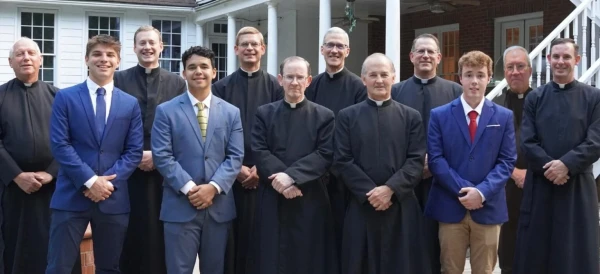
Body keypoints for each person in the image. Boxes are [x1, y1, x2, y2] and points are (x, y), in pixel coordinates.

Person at [46, 34, 144, 274]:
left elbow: (133, 152)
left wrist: (106, 184)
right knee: (59, 267)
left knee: (109, 268)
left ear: (118, 61)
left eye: (110, 55)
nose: (104, 59)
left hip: (113, 198)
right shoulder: (65, 97)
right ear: (86, 59)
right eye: (98, 54)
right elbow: (60, 144)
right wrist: (90, 181)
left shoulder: (130, 104)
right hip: (71, 196)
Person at [151, 46, 243, 274]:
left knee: (215, 269)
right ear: (183, 73)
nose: (198, 72)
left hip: (218, 207)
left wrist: (212, 188)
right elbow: (162, 155)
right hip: (179, 205)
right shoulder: (166, 111)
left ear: (214, 71)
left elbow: (235, 156)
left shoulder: (231, 112)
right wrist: (192, 189)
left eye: (204, 67)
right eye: (192, 67)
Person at [334, 53, 429, 274]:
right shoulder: (347, 116)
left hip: (401, 206)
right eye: (373, 75)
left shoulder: (411, 116)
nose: (379, 80)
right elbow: (342, 160)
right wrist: (371, 193)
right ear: (363, 78)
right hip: (362, 205)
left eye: (384, 74)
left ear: (393, 77)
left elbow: (416, 160)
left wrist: (389, 190)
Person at [514, 38, 600, 274]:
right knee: (538, 249)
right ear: (549, 59)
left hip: (577, 188)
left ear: (577, 60)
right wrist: (552, 169)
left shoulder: (594, 97)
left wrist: (567, 165)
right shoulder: (535, 98)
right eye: (556, 57)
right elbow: (528, 141)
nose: (561, 62)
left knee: (575, 250)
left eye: (566, 57)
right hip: (541, 186)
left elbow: (596, 140)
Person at [425, 50, 516, 274]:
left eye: (480, 75)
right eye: (468, 75)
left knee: (484, 270)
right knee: (450, 269)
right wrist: (464, 192)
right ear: (460, 78)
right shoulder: (439, 115)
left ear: (488, 78)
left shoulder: (503, 117)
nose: (474, 81)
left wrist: (482, 192)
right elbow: (436, 160)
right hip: (450, 205)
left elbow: (506, 161)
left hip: (488, 207)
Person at [0, 38, 80, 274]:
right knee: (15, 248)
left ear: (40, 60)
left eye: (31, 53)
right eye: (20, 54)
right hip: (13, 191)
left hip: (53, 190)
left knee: (57, 247)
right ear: (10, 62)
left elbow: (73, 139)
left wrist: (51, 173)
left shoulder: (59, 97)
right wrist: (16, 175)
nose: (26, 57)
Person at [251, 56, 337, 274]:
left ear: (308, 81)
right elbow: (259, 150)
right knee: (271, 256)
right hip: (272, 195)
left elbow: (325, 153)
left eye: (300, 77)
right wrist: (282, 180)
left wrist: (291, 177)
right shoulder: (264, 113)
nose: (295, 82)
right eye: (289, 77)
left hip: (309, 196)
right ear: (280, 79)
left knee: (308, 257)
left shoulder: (324, 116)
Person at [115, 25, 186, 274]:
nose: (147, 47)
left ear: (161, 47)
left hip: (163, 168)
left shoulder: (177, 82)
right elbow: (113, 123)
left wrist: (157, 156)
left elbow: (180, 125)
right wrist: (134, 156)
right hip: (127, 168)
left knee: (161, 229)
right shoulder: (119, 79)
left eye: (152, 43)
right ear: (134, 48)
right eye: (142, 43)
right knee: (129, 228)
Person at [211, 26, 282, 274]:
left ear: (263, 49)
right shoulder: (220, 88)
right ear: (236, 49)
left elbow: (280, 134)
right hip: (229, 177)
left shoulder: (276, 87)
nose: (250, 48)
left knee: (264, 240)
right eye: (245, 44)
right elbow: (215, 133)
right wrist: (236, 169)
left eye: (255, 44)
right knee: (231, 241)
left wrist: (262, 169)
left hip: (266, 178)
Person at [391, 33, 462, 274]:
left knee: (438, 241)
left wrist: (435, 163)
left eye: (431, 51)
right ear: (411, 57)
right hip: (405, 179)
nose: (425, 56)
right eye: (420, 51)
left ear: (439, 57)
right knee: (408, 237)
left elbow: (460, 134)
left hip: (441, 179)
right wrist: (412, 166)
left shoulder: (455, 91)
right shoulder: (396, 91)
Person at [304, 27, 366, 255]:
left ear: (347, 51)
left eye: (340, 46)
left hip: (344, 176)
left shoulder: (359, 87)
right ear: (322, 49)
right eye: (330, 45)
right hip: (316, 174)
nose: (334, 50)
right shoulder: (312, 86)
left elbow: (359, 132)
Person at [492, 46, 532, 274]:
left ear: (529, 69)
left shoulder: (542, 100)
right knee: (508, 244)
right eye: (510, 67)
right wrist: (514, 173)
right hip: (505, 185)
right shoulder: (494, 105)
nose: (515, 72)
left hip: (537, 181)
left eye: (520, 66)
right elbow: (489, 149)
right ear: (504, 72)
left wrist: (530, 173)